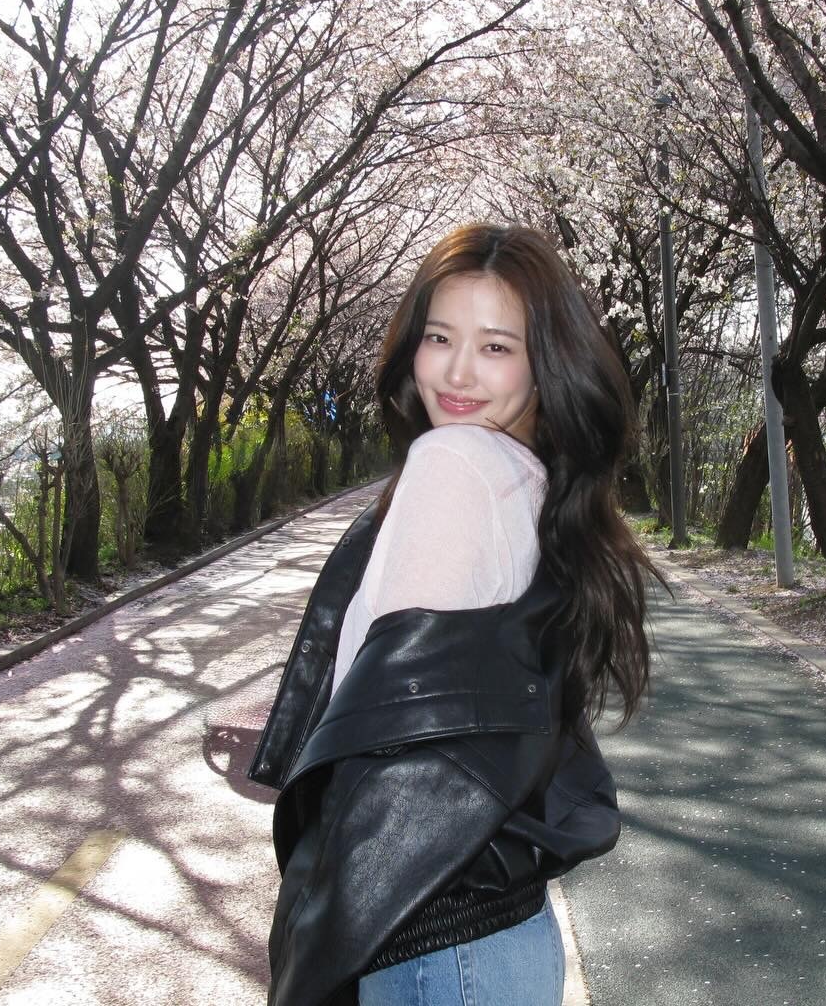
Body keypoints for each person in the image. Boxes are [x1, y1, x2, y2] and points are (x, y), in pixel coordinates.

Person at [247, 223, 661, 1006]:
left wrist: (316, 951)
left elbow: (396, 750)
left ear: (545, 363)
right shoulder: (533, 477)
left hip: (431, 940)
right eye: (439, 337)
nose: (458, 371)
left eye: (496, 347)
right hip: (494, 937)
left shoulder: (454, 462)